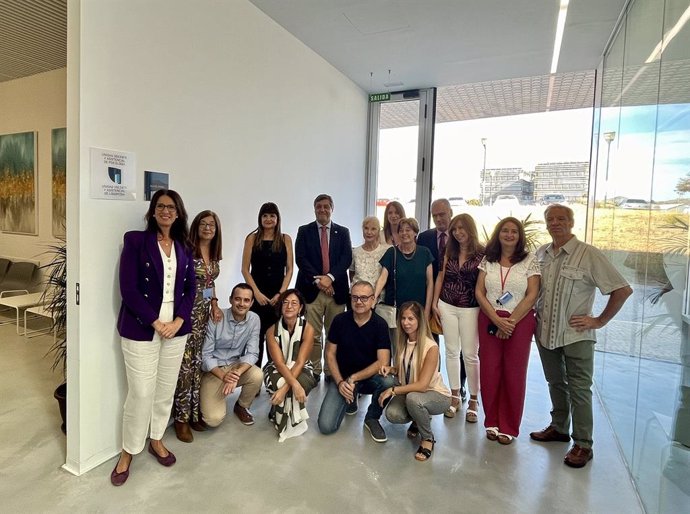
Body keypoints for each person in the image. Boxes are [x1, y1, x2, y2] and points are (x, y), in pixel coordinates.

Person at [530, 204, 632, 468]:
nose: (555, 223)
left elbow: (621, 289)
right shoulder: (542, 253)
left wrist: (599, 320)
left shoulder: (588, 255)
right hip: (545, 333)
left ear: (571, 222)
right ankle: (559, 428)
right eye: (550, 219)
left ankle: (583, 444)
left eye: (561, 219)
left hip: (576, 335)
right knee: (555, 383)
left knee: (580, 389)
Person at [111, 189, 196, 486]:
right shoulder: (136, 240)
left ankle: (156, 438)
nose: (165, 211)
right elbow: (129, 289)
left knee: (164, 390)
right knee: (141, 393)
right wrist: (156, 322)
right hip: (142, 326)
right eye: (160, 206)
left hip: (177, 328)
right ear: (152, 211)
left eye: (171, 207)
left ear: (178, 213)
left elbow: (190, 289)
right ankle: (128, 451)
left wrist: (179, 320)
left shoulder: (185, 245)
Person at [475, 217, 540, 445]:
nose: (509, 235)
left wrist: (510, 322)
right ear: (498, 233)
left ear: (520, 236)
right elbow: (479, 292)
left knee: (513, 373)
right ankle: (491, 420)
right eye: (505, 230)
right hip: (489, 319)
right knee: (490, 371)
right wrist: (496, 319)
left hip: (519, 321)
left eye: (514, 231)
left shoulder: (529, 261)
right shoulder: (488, 260)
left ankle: (509, 426)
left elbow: (532, 294)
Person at [317, 281, 395, 442]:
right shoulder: (339, 320)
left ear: (373, 300)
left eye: (364, 298)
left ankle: (372, 418)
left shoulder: (380, 325)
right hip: (343, 379)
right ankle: (350, 399)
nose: (359, 302)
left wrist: (354, 378)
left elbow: (383, 362)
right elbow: (330, 353)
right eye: (355, 297)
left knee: (388, 381)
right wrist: (340, 382)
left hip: (369, 379)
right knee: (326, 427)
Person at [173, 210, 223, 443]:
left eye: (211, 225)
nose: (207, 228)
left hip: (205, 315)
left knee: (196, 365)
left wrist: (214, 303)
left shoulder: (213, 254)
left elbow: (210, 284)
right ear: (196, 226)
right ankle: (181, 419)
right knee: (184, 367)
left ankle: (194, 413)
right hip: (187, 312)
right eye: (203, 224)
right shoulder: (185, 250)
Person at [379, 301, 451, 461]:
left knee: (413, 398)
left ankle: (427, 439)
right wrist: (392, 369)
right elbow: (408, 367)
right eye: (403, 318)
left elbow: (422, 385)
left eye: (411, 318)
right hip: (413, 392)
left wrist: (393, 390)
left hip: (435, 395)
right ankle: (419, 420)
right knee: (393, 414)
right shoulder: (403, 342)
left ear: (420, 321)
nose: (405, 323)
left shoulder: (431, 347)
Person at [432, 213, 484, 422]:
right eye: (455, 229)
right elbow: (441, 276)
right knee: (452, 351)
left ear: (470, 229)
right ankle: (454, 396)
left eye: (462, 228)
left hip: (471, 307)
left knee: (470, 355)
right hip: (447, 305)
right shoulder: (448, 250)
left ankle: (473, 399)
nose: (458, 232)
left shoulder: (483, 253)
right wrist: (435, 303)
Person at [295, 194, 352, 382]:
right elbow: (301, 259)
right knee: (313, 334)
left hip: (337, 291)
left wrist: (330, 278)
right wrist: (320, 281)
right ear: (314, 209)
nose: (322, 210)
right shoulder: (304, 231)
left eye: (326, 206)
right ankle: (315, 370)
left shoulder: (343, 232)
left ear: (332, 209)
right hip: (312, 291)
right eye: (319, 206)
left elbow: (346, 259)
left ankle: (330, 370)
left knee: (334, 334)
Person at [419, 198, 468, 400]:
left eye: (442, 214)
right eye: (435, 215)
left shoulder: (461, 237)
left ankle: (460, 385)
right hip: (430, 296)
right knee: (432, 344)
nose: (439, 219)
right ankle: (433, 380)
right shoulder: (424, 237)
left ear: (450, 212)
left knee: (458, 346)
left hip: (457, 300)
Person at [199, 283, 263, 428]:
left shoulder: (254, 320)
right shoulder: (216, 317)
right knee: (213, 420)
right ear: (230, 300)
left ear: (252, 303)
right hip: (214, 371)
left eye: (246, 300)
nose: (241, 304)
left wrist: (236, 373)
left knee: (257, 375)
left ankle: (242, 406)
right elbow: (206, 355)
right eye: (238, 299)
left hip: (235, 366)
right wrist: (223, 376)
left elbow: (253, 353)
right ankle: (207, 397)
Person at [242, 202, 294, 368]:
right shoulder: (252, 238)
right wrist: (255, 293)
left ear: (277, 218)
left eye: (272, 215)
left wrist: (281, 294)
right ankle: (254, 379)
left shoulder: (285, 239)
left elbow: (290, 270)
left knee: (276, 338)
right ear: (260, 218)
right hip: (257, 295)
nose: (268, 219)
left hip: (277, 296)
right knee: (255, 338)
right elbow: (245, 270)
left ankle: (275, 376)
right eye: (265, 215)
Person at [263, 289, 316, 442]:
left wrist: (285, 388)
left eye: (294, 303)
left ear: (300, 308)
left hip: (303, 367)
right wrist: (293, 385)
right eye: (285, 303)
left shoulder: (308, 328)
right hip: (276, 367)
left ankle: (277, 413)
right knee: (282, 382)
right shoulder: (271, 331)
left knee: (294, 385)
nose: (289, 306)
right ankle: (286, 417)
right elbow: (279, 363)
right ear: (280, 307)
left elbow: (300, 362)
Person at [375, 218, 434, 341]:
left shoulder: (425, 253)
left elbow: (430, 283)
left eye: (408, 230)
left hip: (419, 310)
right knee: (398, 348)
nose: (404, 233)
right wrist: (373, 297)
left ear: (415, 233)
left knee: (419, 347)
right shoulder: (392, 253)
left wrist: (427, 310)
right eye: (401, 230)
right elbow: (382, 278)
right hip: (397, 311)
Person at [349, 216, 390, 294]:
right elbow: (351, 274)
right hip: (358, 297)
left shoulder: (386, 251)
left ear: (378, 231)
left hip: (378, 297)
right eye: (366, 228)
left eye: (373, 229)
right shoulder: (355, 252)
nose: (369, 232)